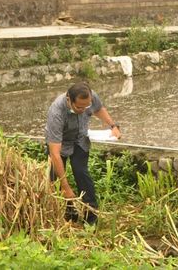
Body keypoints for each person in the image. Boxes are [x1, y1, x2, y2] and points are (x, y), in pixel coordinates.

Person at [45, 82, 121, 224]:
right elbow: (55, 153)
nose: (84, 109)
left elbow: (99, 109)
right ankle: (69, 214)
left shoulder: (89, 97)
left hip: (80, 139)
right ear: (69, 100)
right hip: (60, 142)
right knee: (55, 180)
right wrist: (66, 187)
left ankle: (90, 217)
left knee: (81, 173)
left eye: (86, 106)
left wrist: (113, 126)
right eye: (79, 107)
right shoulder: (56, 112)